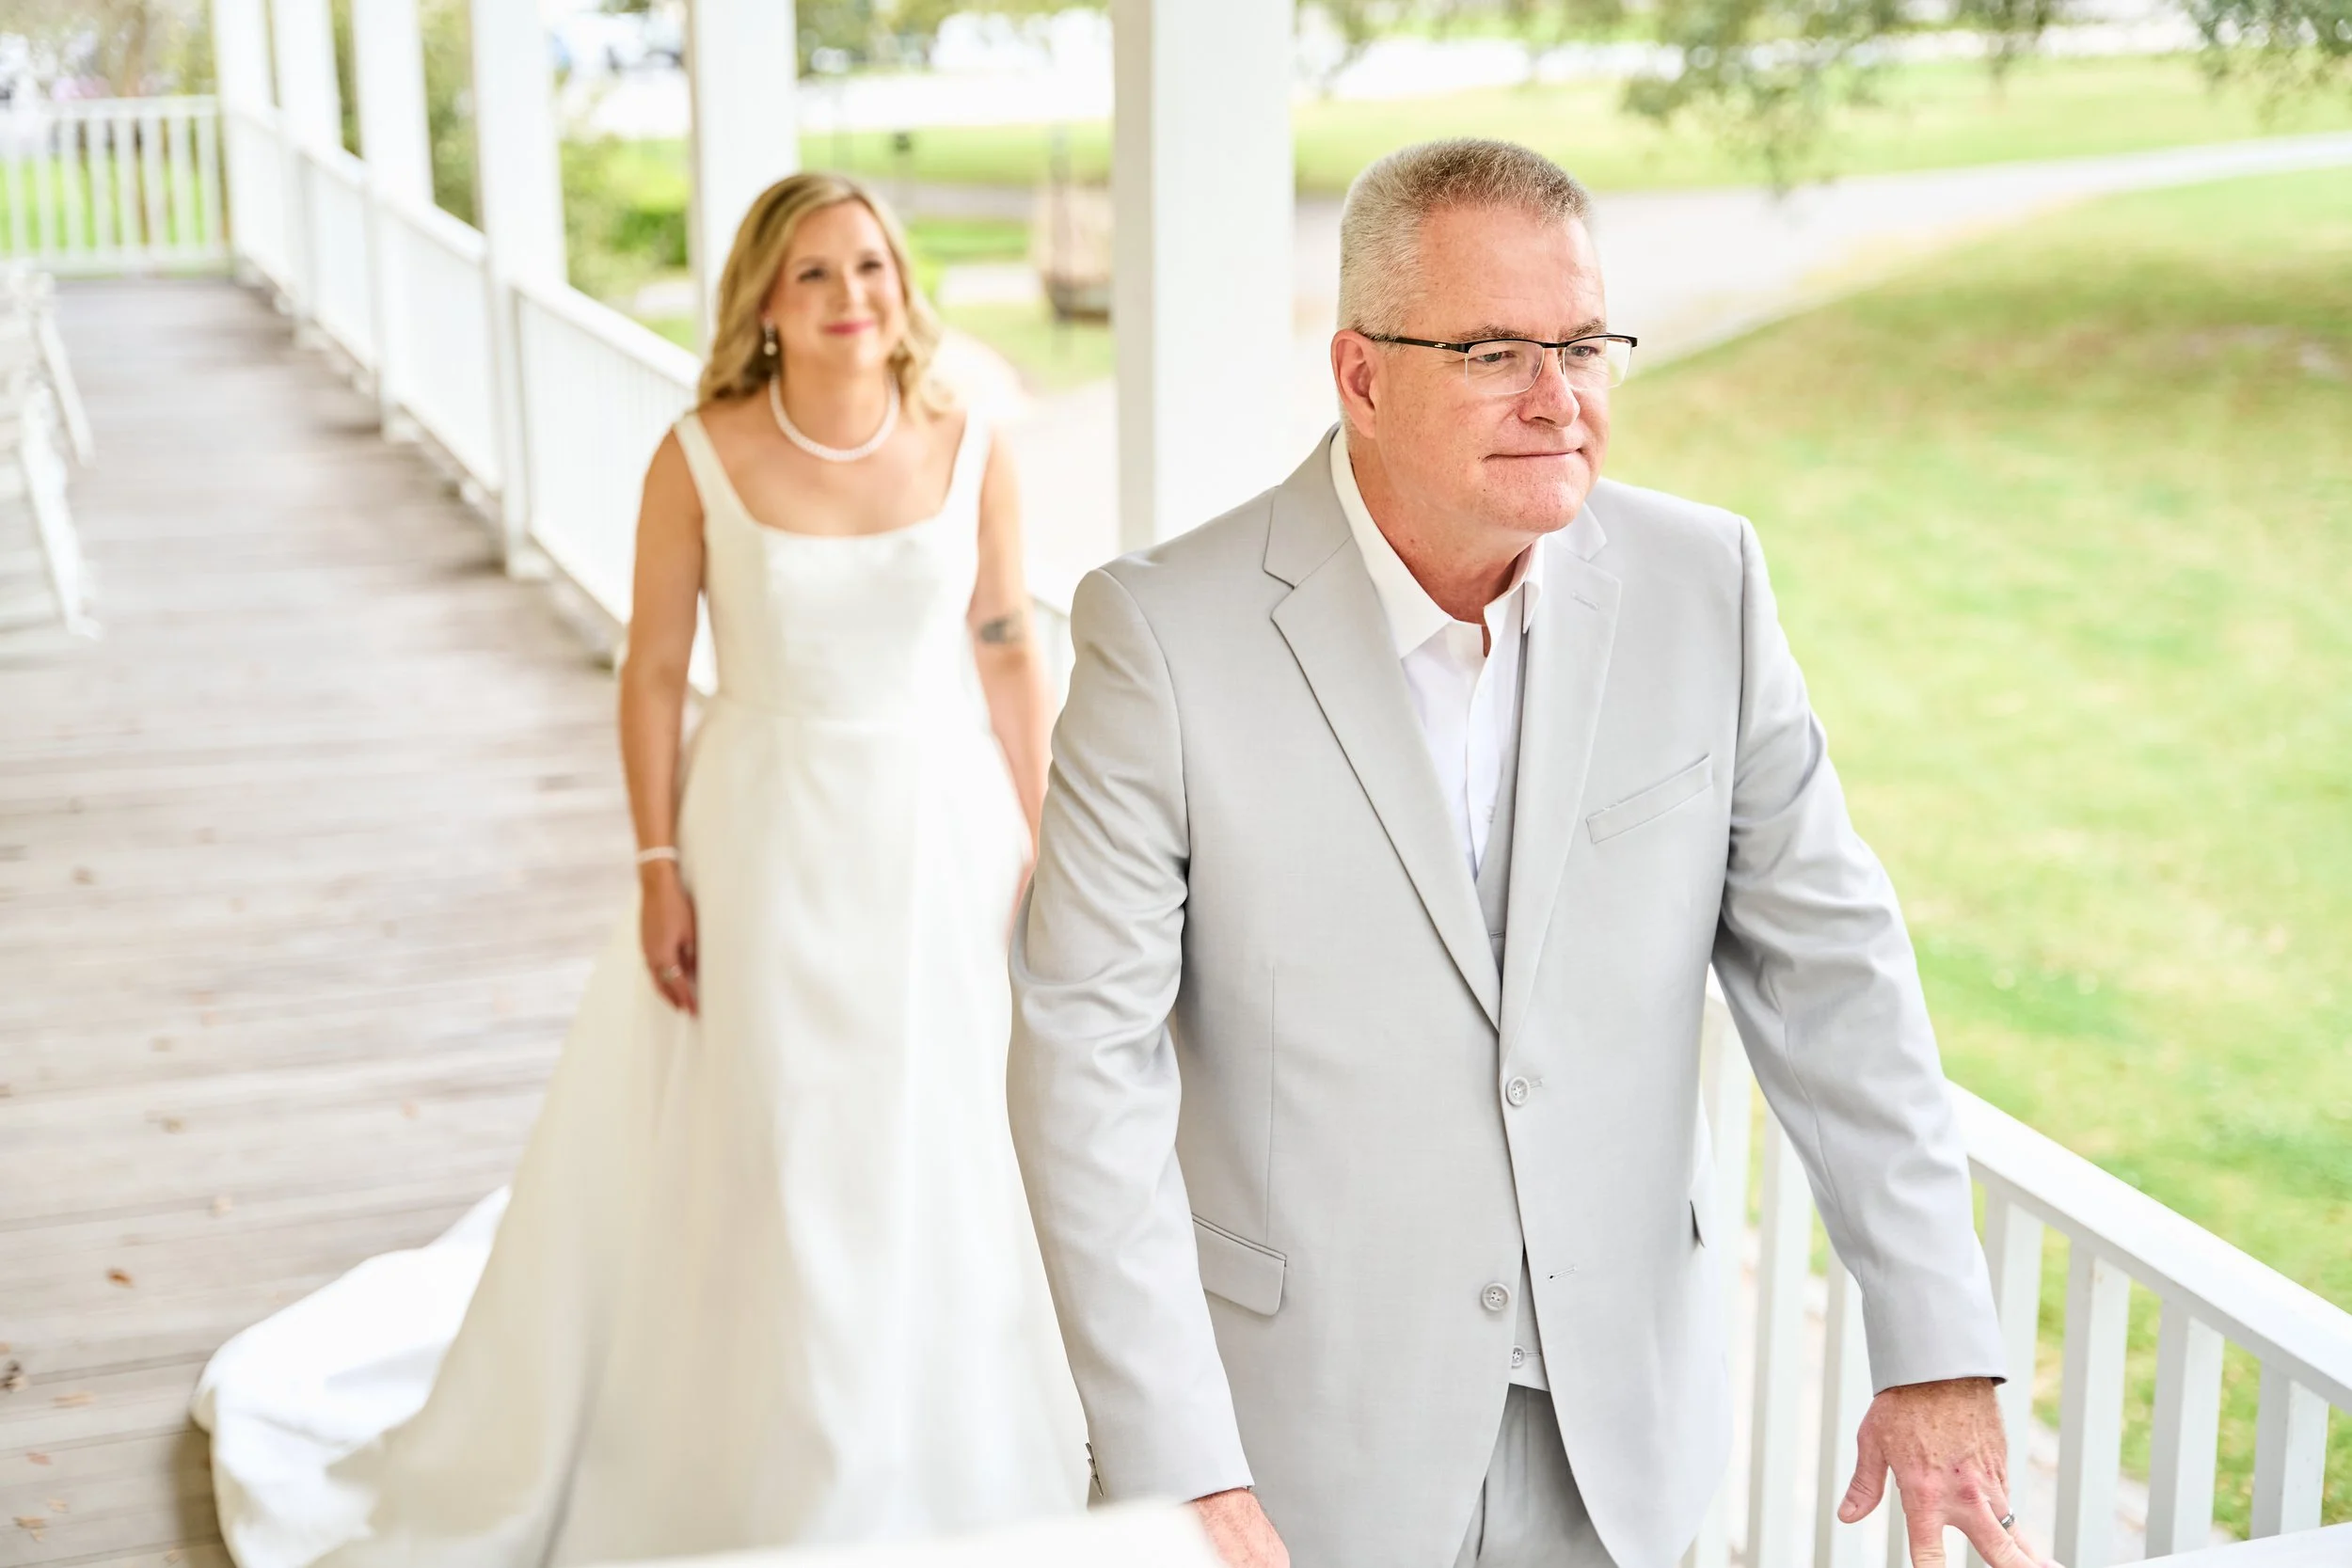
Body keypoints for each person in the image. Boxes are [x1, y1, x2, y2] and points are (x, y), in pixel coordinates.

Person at [1008, 138, 2057, 1568]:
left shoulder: (1708, 588)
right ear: (1362, 376)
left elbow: (1835, 977)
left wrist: (1933, 1340)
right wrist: (1176, 1460)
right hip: (1288, 1451)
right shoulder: (1162, 637)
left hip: (1619, 1444)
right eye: (1495, 351)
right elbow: (1086, 1066)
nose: (1559, 397)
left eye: (1584, 344)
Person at [193, 172, 1087, 1566]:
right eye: (813, 273)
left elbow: (1007, 644)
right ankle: (785, 1459)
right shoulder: (701, 452)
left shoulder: (968, 441)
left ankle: (942, 1443)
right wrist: (659, 866)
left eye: (869, 266)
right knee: (787, 1134)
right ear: (765, 303)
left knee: (945, 1130)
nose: (851, 297)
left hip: (941, 839)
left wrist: (1044, 836)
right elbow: (656, 669)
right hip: (766, 836)